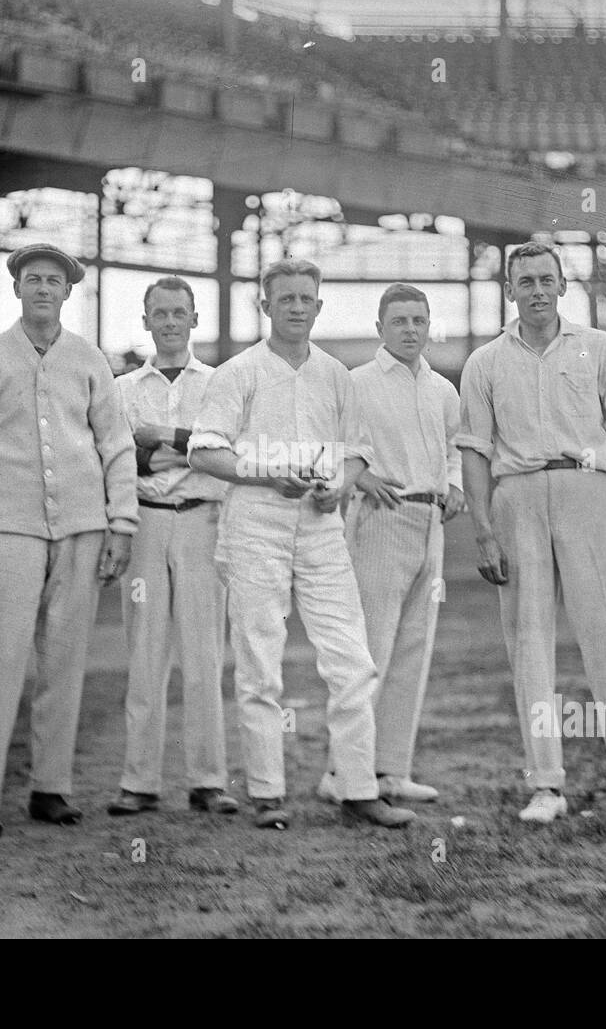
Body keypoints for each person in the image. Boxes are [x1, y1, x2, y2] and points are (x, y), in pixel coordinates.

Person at [189, 258, 416, 830]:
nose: (296, 307)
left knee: (353, 660)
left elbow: (353, 453)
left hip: (320, 528)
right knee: (260, 663)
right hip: (255, 524)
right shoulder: (237, 373)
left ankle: (359, 789)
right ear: (265, 306)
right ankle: (267, 794)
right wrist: (267, 475)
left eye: (305, 298)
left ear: (319, 305)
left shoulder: (337, 375)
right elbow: (204, 452)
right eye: (285, 298)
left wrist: (335, 487)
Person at [457, 242, 606, 826]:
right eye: (525, 281)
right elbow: (473, 452)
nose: (537, 290)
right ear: (509, 289)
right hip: (516, 496)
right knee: (529, 640)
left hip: (589, 491)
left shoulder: (598, 348)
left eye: (547, 279)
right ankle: (546, 783)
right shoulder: (484, 362)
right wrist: (483, 532)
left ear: (563, 286)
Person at [0, 243, 137, 838]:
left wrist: (121, 522)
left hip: (82, 525)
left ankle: (51, 788)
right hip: (9, 528)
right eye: (33, 279)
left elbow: (116, 444)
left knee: (65, 661)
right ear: (17, 287)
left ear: (69, 291)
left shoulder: (90, 359)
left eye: (54, 280)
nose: (43, 288)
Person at [318, 283, 463, 805]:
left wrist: (458, 488)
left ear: (429, 326)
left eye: (418, 320)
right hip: (380, 517)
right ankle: (342, 775)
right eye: (398, 321)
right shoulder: (356, 384)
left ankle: (391, 770)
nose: (409, 330)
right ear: (380, 328)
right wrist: (359, 480)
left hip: (431, 522)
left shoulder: (444, 389)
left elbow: (454, 451)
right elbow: (331, 448)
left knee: (411, 651)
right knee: (369, 652)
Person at [108, 276, 237, 817]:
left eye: (178, 312)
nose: (168, 322)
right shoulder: (121, 389)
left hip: (203, 520)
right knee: (145, 654)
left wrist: (161, 436)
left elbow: (225, 451)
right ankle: (139, 782)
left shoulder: (220, 383)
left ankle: (208, 781)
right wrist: (187, 446)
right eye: (158, 313)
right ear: (145, 321)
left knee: (204, 655)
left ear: (194, 319)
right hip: (145, 522)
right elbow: (119, 458)